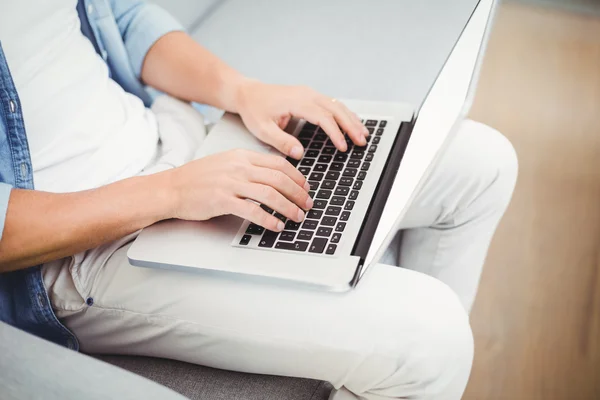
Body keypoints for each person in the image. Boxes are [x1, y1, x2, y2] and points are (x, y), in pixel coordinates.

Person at [0, 0, 518, 399]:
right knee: (431, 340)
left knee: (484, 165)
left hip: (176, 138)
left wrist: (243, 92)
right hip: (80, 248)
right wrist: (171, 193)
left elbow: (123, 16)